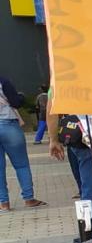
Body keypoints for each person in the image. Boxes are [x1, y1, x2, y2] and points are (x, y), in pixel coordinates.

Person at [0, 75, 45, 212]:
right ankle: (29, 198)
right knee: (21, 165)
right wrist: (21, 97)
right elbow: (16, 102)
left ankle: (4, 203)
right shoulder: (3, 81)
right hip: (9, 125)